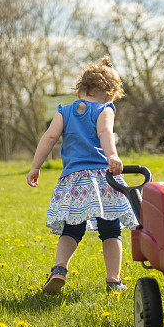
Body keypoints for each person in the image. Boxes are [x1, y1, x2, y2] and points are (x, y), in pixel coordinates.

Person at [27, 56, 138, 294]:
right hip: (102, 179)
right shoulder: (104, 109)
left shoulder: (64, 112)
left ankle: (59, 269)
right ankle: (113, 280)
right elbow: (105, 132)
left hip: (73, 181)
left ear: (80, 91)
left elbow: (48, 138)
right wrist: (112, 156)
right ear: (109, 95)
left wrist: (36, 166)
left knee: (71, 229)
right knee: (111, 230)